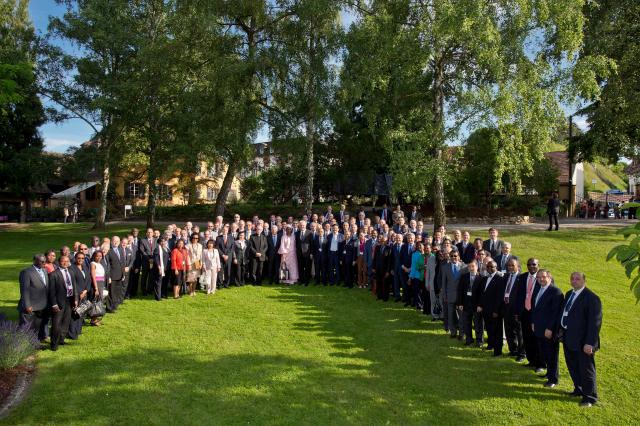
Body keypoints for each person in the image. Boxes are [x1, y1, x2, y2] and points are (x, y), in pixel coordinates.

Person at [560, 272, 602, 407]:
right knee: (573, 366)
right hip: (569, 337)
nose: (574, 281)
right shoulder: (569, 294)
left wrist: (590, 343)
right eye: (572, 279)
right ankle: (578, 389)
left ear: (584, 280)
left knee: (586, 370)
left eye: (577, 279)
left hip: (584, 342)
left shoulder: (592, 298)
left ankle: (590, 397)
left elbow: (595, 323)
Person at [531, 269, 564, 387]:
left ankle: (553, 379)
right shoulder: (538, 289)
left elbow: (556, 313)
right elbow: (535, 308)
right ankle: (549, 374)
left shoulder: (556, 292)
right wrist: (533, 322)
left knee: (551, 355)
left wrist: (550, 328)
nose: (541, 279)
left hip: (549, 330)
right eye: (538, 277)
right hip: (539, 327)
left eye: (543, 277)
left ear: (549, 278)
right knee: (545, 353)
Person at [514, 258, 544, 371]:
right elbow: (519, 295)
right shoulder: (522, 277)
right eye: (529, 264)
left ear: (538, 265)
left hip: (536, 313)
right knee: (527, 338)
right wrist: (517, 312)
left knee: (537, 339)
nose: (531, 266)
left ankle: (540, 364)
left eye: (534, 264)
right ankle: (531, 360)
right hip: (524, 312)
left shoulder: (542, 278)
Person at [48, 255, 77, 351]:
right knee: (56, 324)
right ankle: (54, 344)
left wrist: (76, 299)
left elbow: (74, 287)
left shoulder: (71, 272)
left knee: (66, 322)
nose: (65, 263)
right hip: (59, 302)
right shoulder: (53, 274)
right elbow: (51, 291)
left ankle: (61, 340)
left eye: (67, 261)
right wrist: (54, 304)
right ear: (59, 262)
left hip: (69, 300)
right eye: (63, 261)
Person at [18, 254, 50, 341]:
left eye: (45, 261)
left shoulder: (45, 271)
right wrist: (27, 305)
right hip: (31, 306)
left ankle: (37, 341)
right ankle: (26, 344)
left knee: (38, 327)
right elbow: (24, 290)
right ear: (35, 261)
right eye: (42, 261)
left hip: (42, 305)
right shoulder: (26, 272)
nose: (44, 263)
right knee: (27, 328)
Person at [476, 261, 505, 355]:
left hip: (494, 311)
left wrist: (496, 311)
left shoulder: (500, 279)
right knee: (489, 328)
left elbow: (499, 297)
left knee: (497, 330)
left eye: (492, 267)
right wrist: (480, 305)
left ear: (496, 267)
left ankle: (498, 350)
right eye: (488, 267)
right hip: (485, 309)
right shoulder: (485, 278)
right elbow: (482, 293)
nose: (489, 268)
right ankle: (491, 344)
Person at [502, 258, 525, 361]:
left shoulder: (521, 279)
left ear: (518, 266)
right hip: (506, 308)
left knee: (519, 332)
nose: (510, 267)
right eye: (509, 265)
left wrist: (519, 311)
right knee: (509, 330)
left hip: (517, 310)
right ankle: (513, 350)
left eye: (512, 265)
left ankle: (522, 353)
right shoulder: (506, 276)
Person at [457, 260, 483, 346]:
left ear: (477, 267)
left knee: (478, 324)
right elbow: (460, 290)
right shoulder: (464, 277)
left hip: (476, 305)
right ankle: (469, 339)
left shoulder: (481, 278)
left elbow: (482, 293)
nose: (471, 268)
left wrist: (480, 305)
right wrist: (460, 303)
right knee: (466, 323)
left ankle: (479, 341)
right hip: (466, 304)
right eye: (469, 266)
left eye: (473, 266)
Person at [441, 249, 465, 339]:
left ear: (458, 257)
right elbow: (444, 283)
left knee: (462, 317)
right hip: (449, 296)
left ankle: (462, 334)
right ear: (449, 257)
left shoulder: (464, 267)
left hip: (461, 297)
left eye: (455, 256)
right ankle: (453, 332)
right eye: (451, 256)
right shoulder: (445, 267)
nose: (453, 257)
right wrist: (444, 296)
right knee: (450, 316)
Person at [68, 252, 90, 340]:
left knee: (81, 312)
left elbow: (88, 280)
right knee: (74, 313)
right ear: (75, 258)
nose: (81, 260)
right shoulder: (71, 268)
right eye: (79, 258)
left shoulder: (85, 267)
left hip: (84, 294)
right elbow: (72, 283)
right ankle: (72, 333)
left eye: (82, 258)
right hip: (76, 294)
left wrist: (85, 290)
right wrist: (79, 293)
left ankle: (78, 330)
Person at [106, 236, 125, 313]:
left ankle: (115, 306)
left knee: (117, 292)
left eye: (118, 241)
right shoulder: (109, 251)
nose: (116, 242)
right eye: (114, 241)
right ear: (111, 242)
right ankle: (109, 308)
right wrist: (109, 277)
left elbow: (122, 263)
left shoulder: (120, 250)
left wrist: (123, 274)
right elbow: (108, 265)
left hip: (120, 275)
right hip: (112, 276)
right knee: (111, 292)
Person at [89, 251, 106, 327]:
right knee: (96, 301)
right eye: (97, 256)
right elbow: (93, 276)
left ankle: (96, 318)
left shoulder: (100, 264)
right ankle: (93, 320)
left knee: (99, 301)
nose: (99, 257)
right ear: (94, 256)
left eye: (100, 256)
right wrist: (96, 288)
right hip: (97, 283)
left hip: (101, 283)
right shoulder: (93, 264)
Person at [138, 228, 156, 296]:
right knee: (144, 276)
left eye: (151, 232)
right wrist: (149, 259)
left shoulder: (156, 240)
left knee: (151, 276)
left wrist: (153, 259)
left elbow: (157, 250)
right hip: (145, 261)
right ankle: (144, 291)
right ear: (146, 233)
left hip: (153, 261)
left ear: (153, 233)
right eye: (148, 232)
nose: (149, 233)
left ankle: (150, 290)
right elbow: (142, 251)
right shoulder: (143, 240)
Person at [408, 242, 425, 311]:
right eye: (418, 246)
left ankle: (424, 305)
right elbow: (413, 266)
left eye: (421, 246)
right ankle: (419, 305)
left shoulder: (427, 254)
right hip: (417, 276)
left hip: (425, 276)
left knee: (424, 292)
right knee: (417, 292)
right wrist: (410, 277)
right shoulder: (414, 255)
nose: (420, 247)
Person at [295, 221, 313, 286]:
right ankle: (301, 280)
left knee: (307, 268)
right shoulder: (296, 233)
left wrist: (311, 253)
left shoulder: (310, 232)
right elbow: (296, 243)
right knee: (300, 267)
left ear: (305, 225)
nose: (302, 226)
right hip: (299, 253)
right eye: (301, 225)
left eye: (303, 225)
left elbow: (311, 244)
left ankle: (307, 281)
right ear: (299, 226)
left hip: (307, 253)